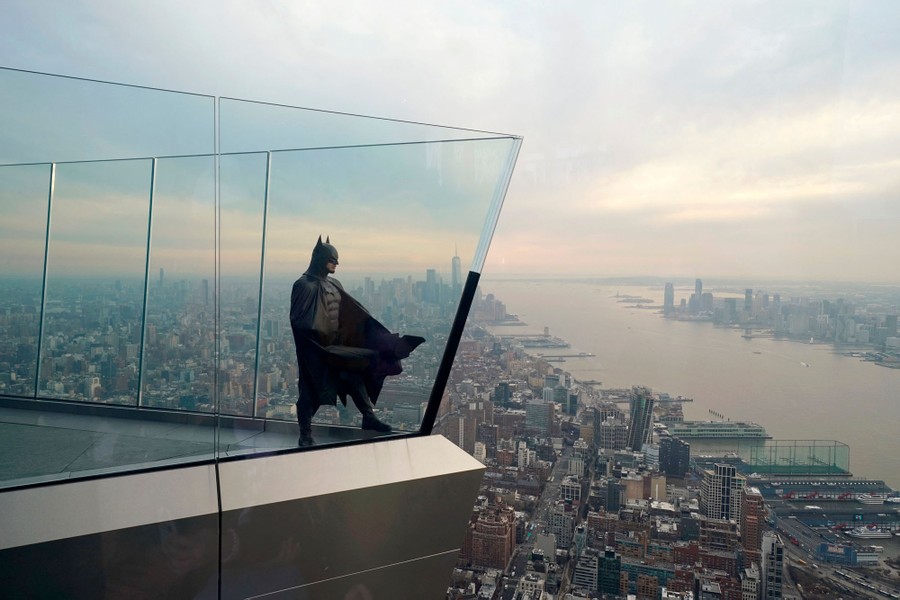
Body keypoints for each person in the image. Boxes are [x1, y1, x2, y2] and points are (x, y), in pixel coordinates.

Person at [290, 236, 424, 447]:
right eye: (332, 259)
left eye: (337, 260)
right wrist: (320, 345)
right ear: (319, 257)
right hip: (316, 349)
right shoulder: (304, 286)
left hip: (338, 344)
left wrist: (370, 338)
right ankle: (305, 434)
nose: (336, 264)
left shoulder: (335, 283)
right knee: (309, 390)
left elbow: (350, 314)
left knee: (355, 372)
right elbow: (299, 321)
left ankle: (368, 416)